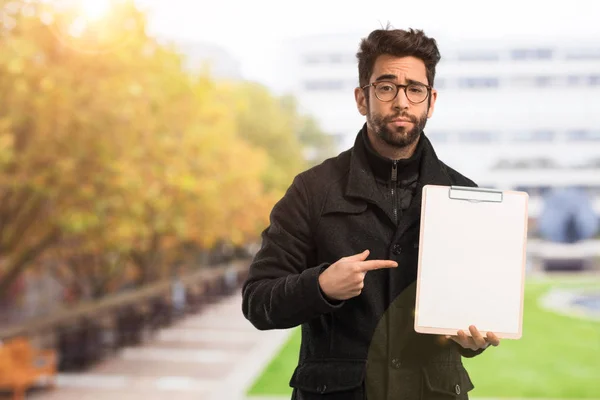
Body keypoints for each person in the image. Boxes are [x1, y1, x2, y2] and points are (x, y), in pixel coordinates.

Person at [242, 27, 501, 400]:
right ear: (362, 98)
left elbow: (472, 310)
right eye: (386, 87)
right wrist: (321, 286)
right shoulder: (312, 190)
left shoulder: (463, 197)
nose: (402, 101)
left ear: (431, 101)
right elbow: (257, 302)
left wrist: (472, 339)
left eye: (415, 89)